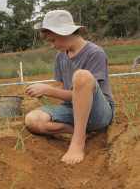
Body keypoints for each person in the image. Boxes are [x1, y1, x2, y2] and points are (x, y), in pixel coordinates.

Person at [25, 10, 116, 164]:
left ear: (66, 32)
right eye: (49, 42)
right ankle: (81, 132)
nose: (52, 45)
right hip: (73, 109)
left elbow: (87, 94)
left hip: (99, 113)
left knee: (81, 76)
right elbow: (64, 90)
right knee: (33, 119)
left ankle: (78, 142)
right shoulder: (60, 56)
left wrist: (48, 90)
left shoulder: (94, 53)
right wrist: (44, 90)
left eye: (53, 40)